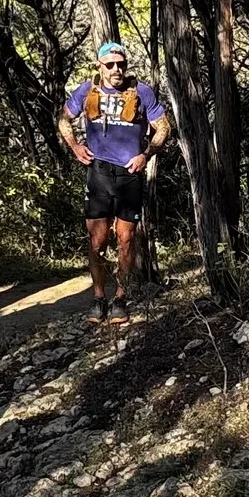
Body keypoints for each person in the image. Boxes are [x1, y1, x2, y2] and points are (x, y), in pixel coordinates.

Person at [61, 41, 173, 324]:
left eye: (120, 64)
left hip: (129, 174)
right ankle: (98, 298)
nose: (116, 69)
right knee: (97, 240)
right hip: (99, 172)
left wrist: (146, 154)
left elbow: (164, 127)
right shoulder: (88, 91)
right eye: (109, 64)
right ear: (100, 65)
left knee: (126, 239)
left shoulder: (141, 92)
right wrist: (74, 146)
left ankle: (120, 298)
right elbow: (63, 120)